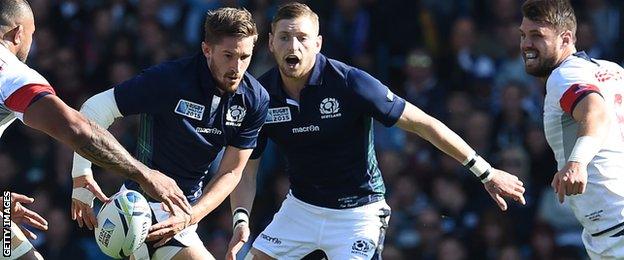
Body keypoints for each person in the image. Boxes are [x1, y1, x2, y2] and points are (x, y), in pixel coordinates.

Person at [227, 3, 526, 260]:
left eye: (302, 38)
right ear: (270, 43)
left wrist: (486, 172)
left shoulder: (350, 83)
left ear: (318, 44)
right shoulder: (260, 96)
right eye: (285, 37)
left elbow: (425, 124)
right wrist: (241, 218)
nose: (294, 47)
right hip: (300, 209)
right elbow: (245, 170)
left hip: (357, 214)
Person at [70, 7, 269, 260]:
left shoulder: (255, 99)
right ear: (207, 50)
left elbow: (232, 171)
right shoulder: (170, 79)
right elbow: (94, 109)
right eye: (228, 55)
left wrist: (190, 216)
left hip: (183, 212)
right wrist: (81, 175)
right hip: (138, 205)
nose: (236, 67)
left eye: (245, 57)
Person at [0, 1, 191, 259]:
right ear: (18, 33)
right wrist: (144, 174)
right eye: (32, 35)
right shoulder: (9, 71)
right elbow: (76, 129)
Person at [519, 0, 624, 258]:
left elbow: (595, 111)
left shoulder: (563, 76)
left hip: (615, 226)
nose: (525, 45)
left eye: (537, 36)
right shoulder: (613, 71)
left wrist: (576, 163)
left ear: (566, 38)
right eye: (522, 35)